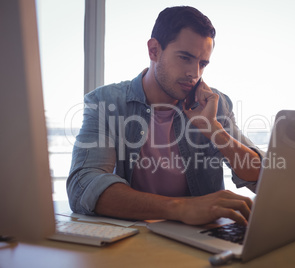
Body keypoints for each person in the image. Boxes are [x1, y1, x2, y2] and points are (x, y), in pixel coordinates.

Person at [67, 6, 263, 226]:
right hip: (137, 236)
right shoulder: (105, 102)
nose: (194, 73)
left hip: (201, 238)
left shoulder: (213, 103)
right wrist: (179, 208)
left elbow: (262, 178)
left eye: (202, 63)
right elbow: (83, 185)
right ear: (154, 50)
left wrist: (212, 128)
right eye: (185, 58)